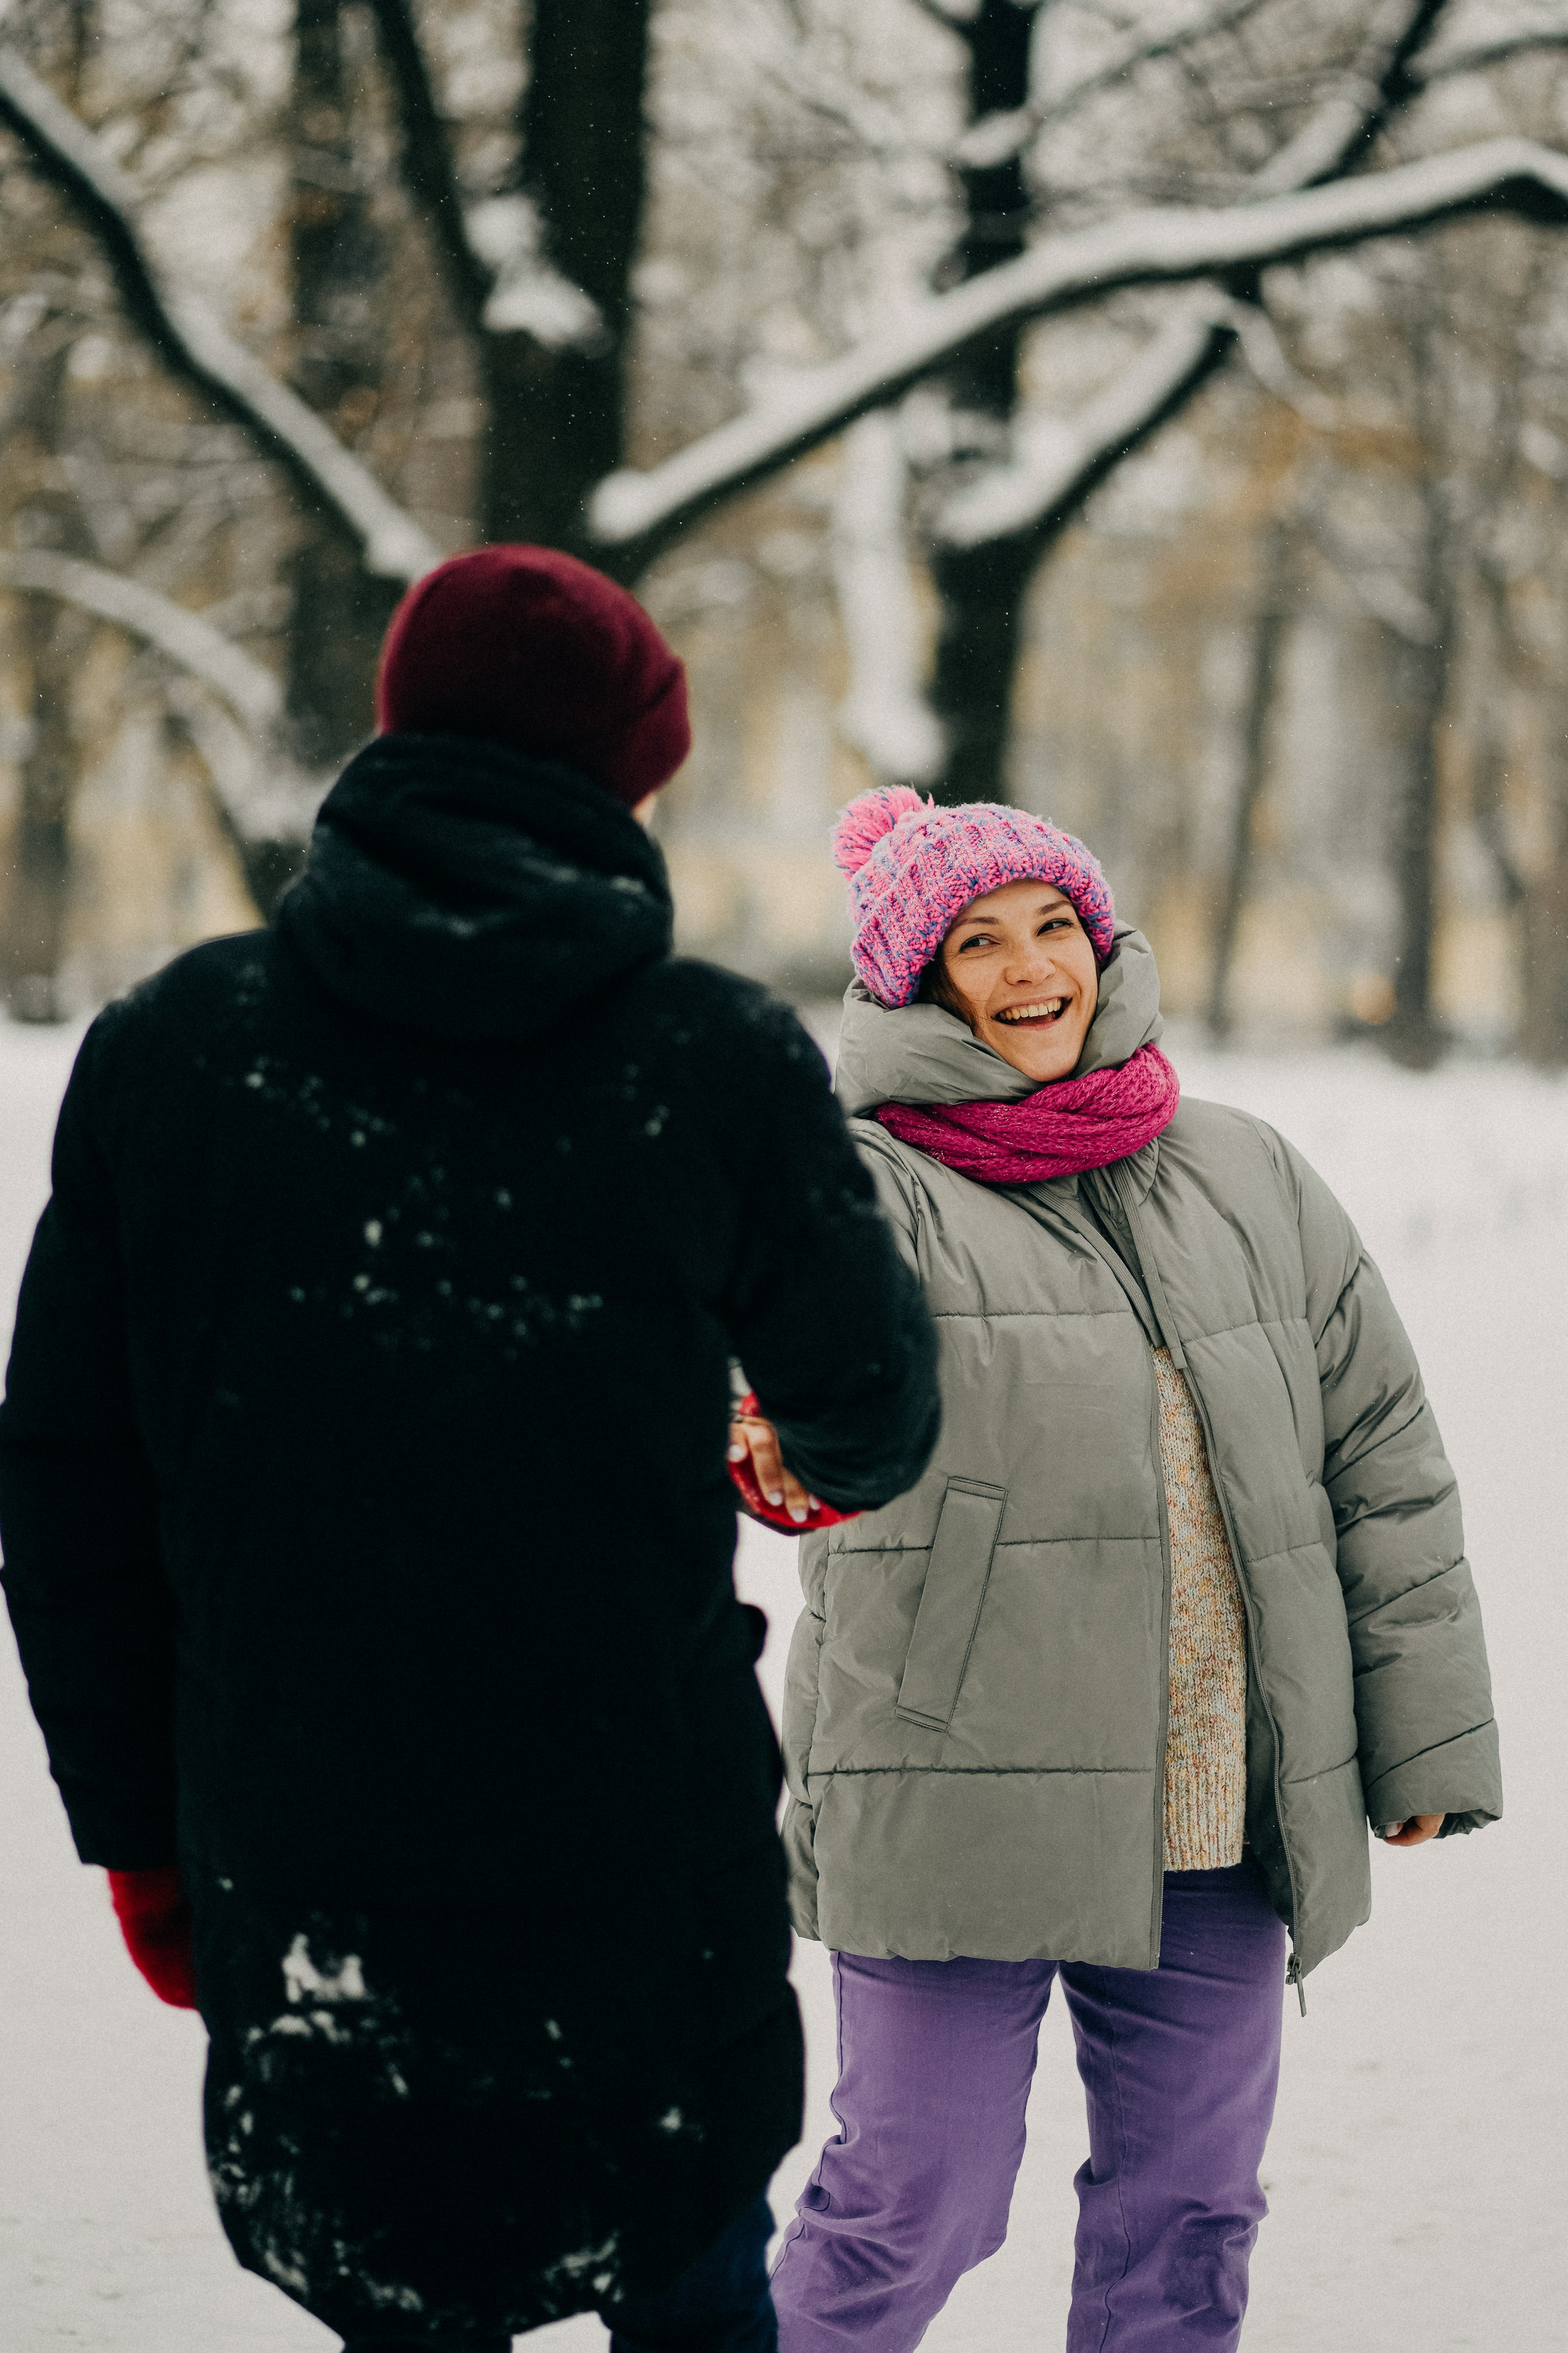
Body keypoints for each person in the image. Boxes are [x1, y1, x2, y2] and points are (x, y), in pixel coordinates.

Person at [0, 552, 942, 2353]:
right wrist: (779, 1433)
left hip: (307, 1857)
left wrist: (140, 1835)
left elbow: (67, 1493)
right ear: (631, 772)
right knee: (687, 2276)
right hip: (644, 1871)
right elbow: (874, 1413)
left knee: (399, 2284)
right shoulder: (711, 1060)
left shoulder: (178, 1054)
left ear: (399, 730)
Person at [733, 786, 1501, 2353]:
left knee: (1190, 2210)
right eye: (976, 943)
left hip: (1215, 1803)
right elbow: (788, 1383)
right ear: (915, 982)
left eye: (1052, 928)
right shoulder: (858, 1184)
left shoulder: (1244, 1173)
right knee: (914, 2199)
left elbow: (1378, 1456)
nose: (1030, 969)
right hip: (954, 1789)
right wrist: (778, 1438)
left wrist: (1422, 1731)